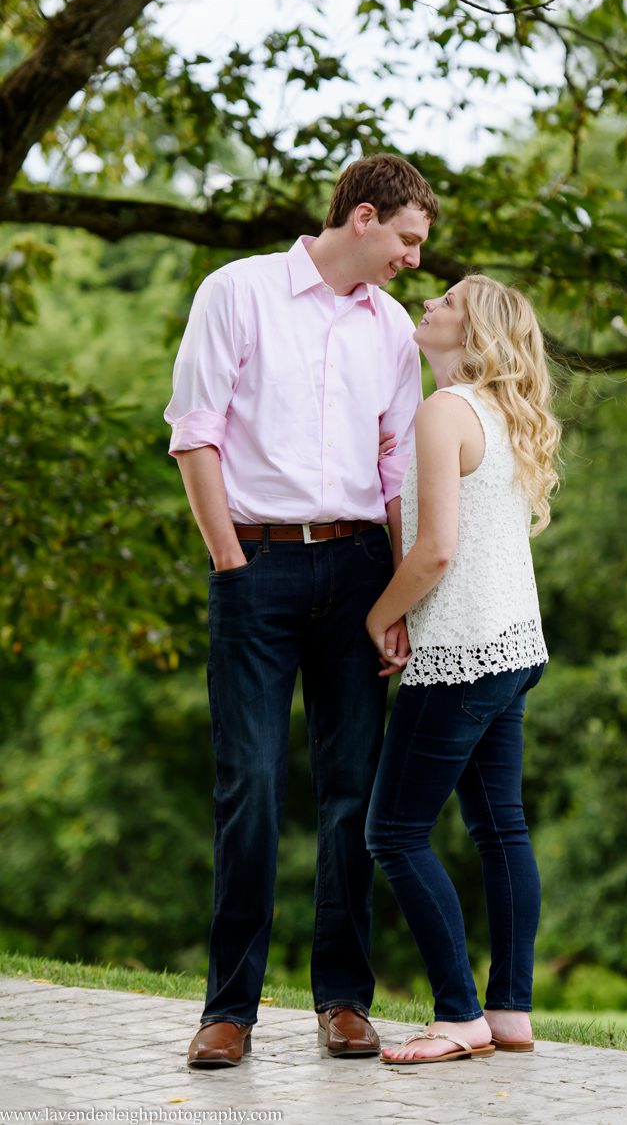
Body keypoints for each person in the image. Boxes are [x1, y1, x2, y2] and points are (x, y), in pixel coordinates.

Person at [163, 154, 437, 1067]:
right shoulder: (237, 293)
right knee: (250, 785)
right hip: (259, 567)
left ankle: (344, 1000)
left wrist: (399, 598)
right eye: (407, 239)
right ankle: (228, 1011)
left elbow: (396, 467)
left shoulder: (392, 329)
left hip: (360, 571)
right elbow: (194, 434)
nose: (413, 259)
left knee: (353, 790)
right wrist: (230, 563)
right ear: (363, 217)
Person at [364, 273, 560, 1064]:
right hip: (515, 647)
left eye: (445, 302)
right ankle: (509, 1010)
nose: (427, 304)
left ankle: (459, 1015)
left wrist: (380, 615)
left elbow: (438, 550)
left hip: (462, 655)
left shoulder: (444, 410)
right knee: (500, 828)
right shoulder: (504, 414)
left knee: (394, 832)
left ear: (473, 332)